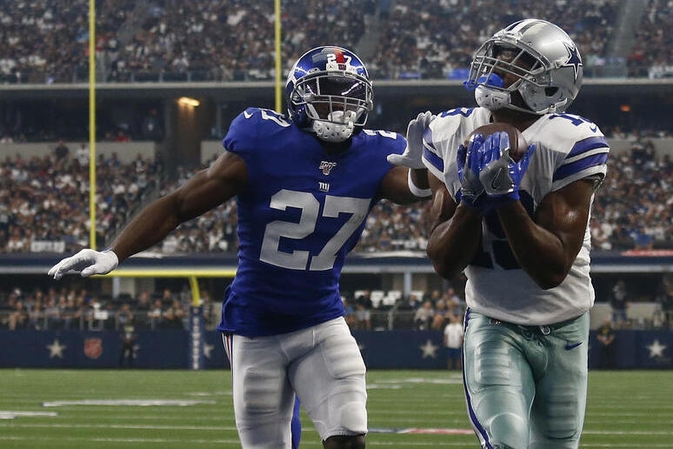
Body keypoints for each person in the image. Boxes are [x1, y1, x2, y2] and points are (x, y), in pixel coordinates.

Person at [48, 45, 433, 449]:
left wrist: (422, 171)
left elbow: (409, 189)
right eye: (328, 92)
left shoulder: (374, 152)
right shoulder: (264, 142)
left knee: (349, 437)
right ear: (300, 97)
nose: (340, 106)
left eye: (348, 94)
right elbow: (179, 204)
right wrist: (113, 253)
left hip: (321, 320)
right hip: (255, 327)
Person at [417, 19, 609, 448]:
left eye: (516, 63)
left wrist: (505, 199)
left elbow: (551, 269)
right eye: (498, 57)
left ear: (549, 83)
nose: (497, 68)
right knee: (505, 442)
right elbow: (445, 262)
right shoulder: (450, 131)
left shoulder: (570, 141)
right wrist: (471, 198)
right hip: (492, 320)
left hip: (564, 325)